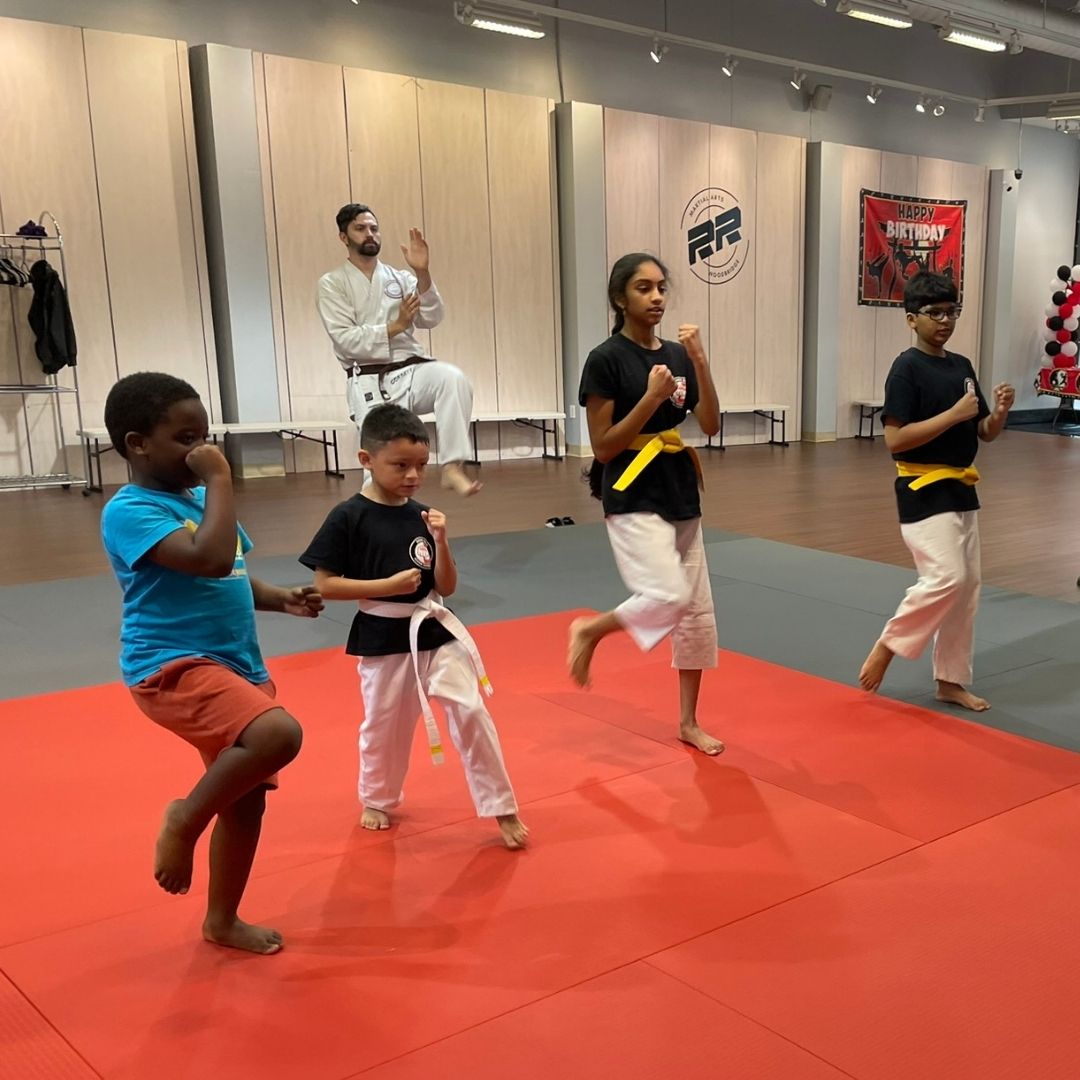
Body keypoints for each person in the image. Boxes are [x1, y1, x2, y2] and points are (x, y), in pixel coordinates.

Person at [100, 372, 324, 955]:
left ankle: (221, 920)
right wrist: (222, 478)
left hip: (236, 665)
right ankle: (183, 821)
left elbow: (232, 571)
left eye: (204, 436)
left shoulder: (200, 499)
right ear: (137, 444)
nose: (201, 451)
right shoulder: (131, 510)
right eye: (185, 438)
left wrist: (283, 599)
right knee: (277, 733)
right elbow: (208, 556)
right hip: (171, 667)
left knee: (246, 799)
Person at [299, 403, 527, 849]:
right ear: (366, 460)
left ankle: (501, 805)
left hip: (436, 628)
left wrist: (442, 542)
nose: (413, 476)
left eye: (421, 465)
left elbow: (446, 584)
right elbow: (325, 584)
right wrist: (386, 584)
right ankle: (378, 797)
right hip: (383, 636)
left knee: (472, 711)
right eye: (400, 465)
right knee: (385, 724)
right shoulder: (348, 517)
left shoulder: (423, 514)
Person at [567, 253, 725, 756]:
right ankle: (591, 629)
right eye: (643, 288)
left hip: (678, 486)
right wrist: (651, 399)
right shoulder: (605, 358)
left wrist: (699, 361)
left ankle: (688, 721)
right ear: (620, 298)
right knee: (667, 596)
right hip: (632, 490)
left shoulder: (678, 355)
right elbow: (604, 446)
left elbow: (710, 423)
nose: (656, 297)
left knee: (697, 614)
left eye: (661, 287)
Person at [858, 272, 1014, 711]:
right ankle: (889, 644)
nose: (946, 320)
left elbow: (983, 432)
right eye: (935, 313)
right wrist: (951, 414)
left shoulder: (962, 366)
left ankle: (950, 679)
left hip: (961, 488)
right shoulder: (906, 368)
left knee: (967, 589)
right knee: (947, 577)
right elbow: (895, 440)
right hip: (922, 488)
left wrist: (999, 412)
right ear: (912, 319)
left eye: (952, 311)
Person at [316, 203, 481, 497]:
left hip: (411, 369)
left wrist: (422, 272)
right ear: (344, 237)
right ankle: (371, 528)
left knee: (452, 378)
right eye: (360, 228)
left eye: (374, 228)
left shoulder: (400, 278)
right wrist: (396, 325)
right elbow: (346, 340)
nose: (370, 234)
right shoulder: (332, 284)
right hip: (368, 379)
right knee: (381, 471)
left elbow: (431, 317)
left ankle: (452, 465)